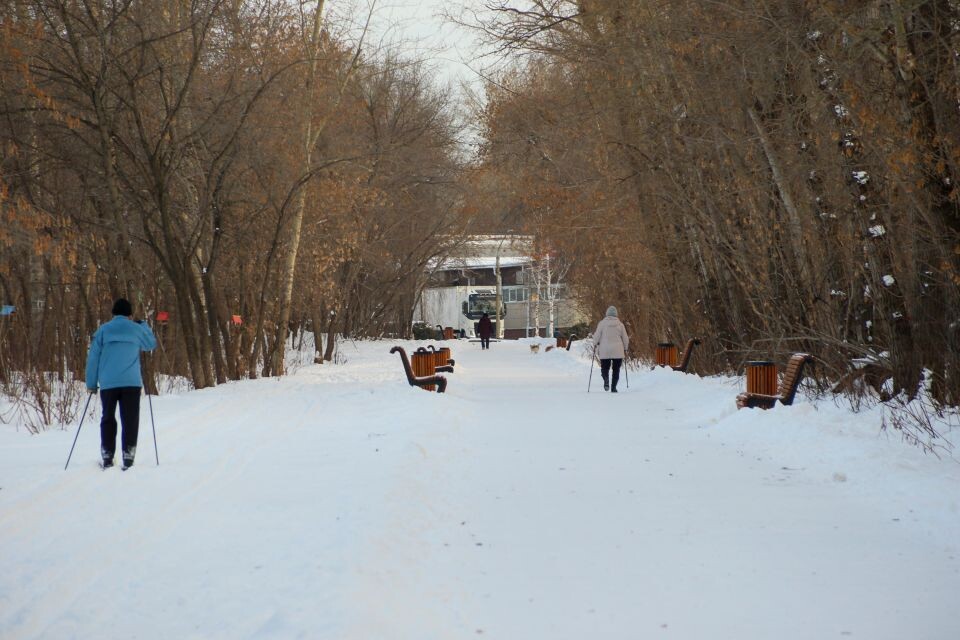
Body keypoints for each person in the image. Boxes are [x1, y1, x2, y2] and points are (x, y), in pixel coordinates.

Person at [85, 298, 157, 469]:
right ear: (130, 314)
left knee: (108, 417)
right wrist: (144, 325)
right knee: (130, 419)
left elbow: (93, 359)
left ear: (114, 313)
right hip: (131, 383)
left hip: (109, 383)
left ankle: (108, 455)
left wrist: (91, 383)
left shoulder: (103, 330)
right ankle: (128, 455)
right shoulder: (136, 329)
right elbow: (150, 345)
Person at [594, 305, 629, 393]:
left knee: (605, 368)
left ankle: (606, 380)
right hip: (618, 350)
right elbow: (625, 338)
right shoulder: (620, 324)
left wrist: (595, 344)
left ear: (607, 314)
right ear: (616, 314)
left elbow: (596, 336)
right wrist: (625, 348)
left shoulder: (602, 323)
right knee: (616, 369)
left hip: (605, 350)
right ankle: (613, 388)